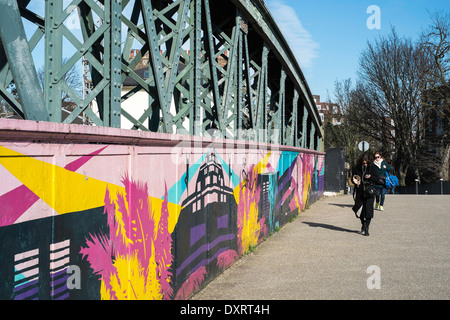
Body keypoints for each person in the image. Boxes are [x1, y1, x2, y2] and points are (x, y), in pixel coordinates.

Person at [352, 154, 383, 236]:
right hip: (360, 192)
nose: (365, 165)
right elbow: (353, 177)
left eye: (366, 163)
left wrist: (370, 176)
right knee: (358, 209)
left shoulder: (372, 168)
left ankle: (367, 227)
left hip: (369, 192)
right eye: (363, 163)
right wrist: (356, 182)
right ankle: (363, 223)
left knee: (368, 210)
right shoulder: (356, 168)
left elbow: (377, 179)